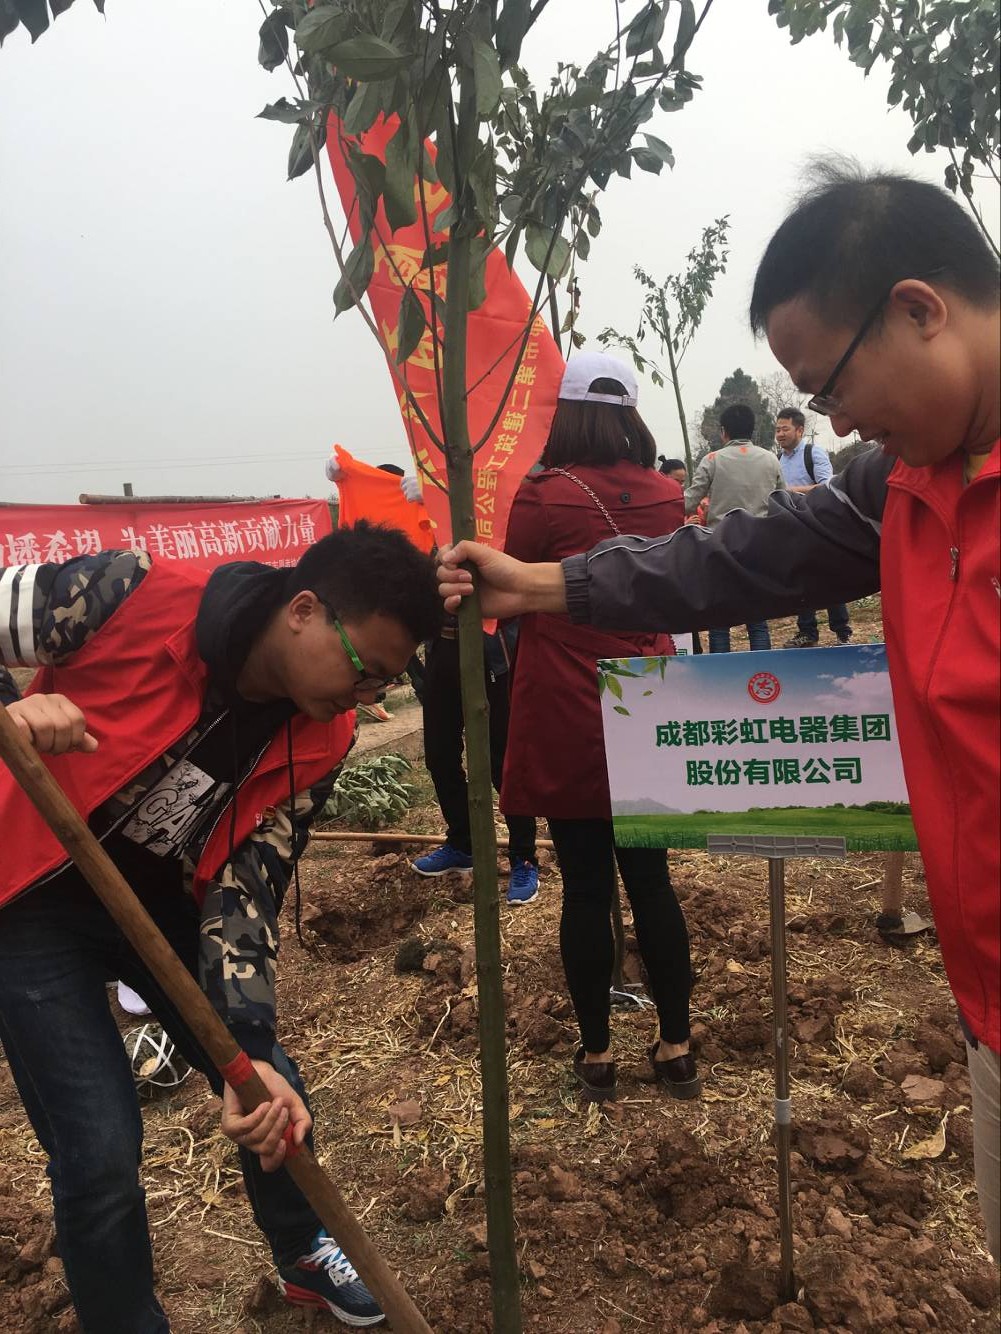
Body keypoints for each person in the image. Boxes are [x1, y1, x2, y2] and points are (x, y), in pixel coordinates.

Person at [436, 167, 1000, 1261]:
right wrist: (545, 586)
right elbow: (735, 555)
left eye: (828, 387)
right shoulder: (902, 480)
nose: (827, 421)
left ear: (917, 310)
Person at [0, 524, 442, 1331]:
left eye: (384, 683)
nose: (367, 698)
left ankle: (302, 1252)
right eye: (365, 670)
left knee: (276, 1087)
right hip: (27, 896)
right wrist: (11, 709)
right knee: (98, 1150)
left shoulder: (324, 732)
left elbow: (249, 887)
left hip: (156, 907)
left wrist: (247, 1041)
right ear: (304, 610)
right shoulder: (126, 594)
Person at [499, 350, 700, 1102]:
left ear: (566, 412)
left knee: (583, 887)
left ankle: (595, 1058)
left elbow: (508, 585)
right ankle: (676, 1049)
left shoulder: (544, 497)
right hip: (644, 693)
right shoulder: (667, 494)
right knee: (653, 882)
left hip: (567, 699)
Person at [411, 618, 540, 905]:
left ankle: (524, 857)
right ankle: (462, 842)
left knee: (503, 762)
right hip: (442, 645)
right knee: (440, 755)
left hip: (492, 648)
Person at [684, 403, 786, 652]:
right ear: (752, 429)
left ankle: (721, 679)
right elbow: (782, 500)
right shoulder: (771, 459)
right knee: (757, 620)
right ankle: (763, 672)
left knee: (720, 619)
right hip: (759, 544)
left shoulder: (712, 460)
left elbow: (689, 501)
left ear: (723, 431)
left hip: (721, 544)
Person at [775, 407, 853, 646]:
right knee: (803, 580)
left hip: (820, 525)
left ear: (799, 430)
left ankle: (842, 632)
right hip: (793, 527)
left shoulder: (813, 454)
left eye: (785, 429)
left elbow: (827, 486)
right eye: (777, 430)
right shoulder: (777, 460)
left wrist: (790, 492)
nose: (779, 434)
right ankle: (807, 632)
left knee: (830, 578)